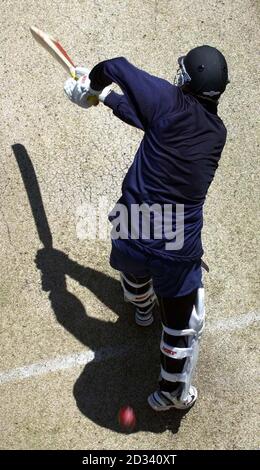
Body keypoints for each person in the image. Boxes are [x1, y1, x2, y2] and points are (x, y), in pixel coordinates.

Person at [64, 45, 229, 411]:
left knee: (132, 265)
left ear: (185, 79)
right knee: (184, 322)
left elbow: (116, 65)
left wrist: (92, 86)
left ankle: (141, 309)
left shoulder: (167, 103)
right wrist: (104, 97)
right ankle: (171, 394)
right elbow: (149, 118)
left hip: (132, 226)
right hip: (176, 242)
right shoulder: (217, 133)